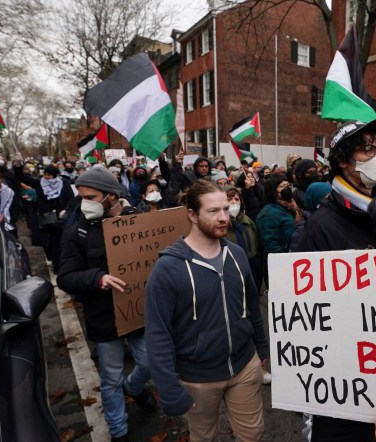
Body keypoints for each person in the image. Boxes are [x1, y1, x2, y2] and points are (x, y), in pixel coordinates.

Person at [296, 118, 376, 440]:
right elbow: (311, 316)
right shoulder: (321, 228)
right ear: (342, 160)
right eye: (368, 149)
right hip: (351, 365)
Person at [145, 180, 268, 442]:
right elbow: (158, 334)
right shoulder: (167, 269)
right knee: (204, 437)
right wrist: (169, 390)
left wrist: (262, 348)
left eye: (226, 208)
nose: (224, 217)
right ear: (192, 214)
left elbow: (251, 305)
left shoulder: (236, 253)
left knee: (252, 435)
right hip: (197, 378)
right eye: (213, 211)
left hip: (244, 366)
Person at [57, 165, 155, 442]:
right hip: (103, 316)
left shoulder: (137, 220)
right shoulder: (76, 233)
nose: (85, 203)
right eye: (81, 197)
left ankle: (134, 387)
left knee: (149, 363)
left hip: (139, 313)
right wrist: (97, 279)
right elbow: (65, 277)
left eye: (92, 196)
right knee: (110, 378)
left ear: (112, 196)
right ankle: (118, 429)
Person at [14, 163, 74, 272]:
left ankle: (60, 265)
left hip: (61, 219)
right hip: (46, 219)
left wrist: (66, 210)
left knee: (61, 243)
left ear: (56, 175)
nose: (46, 177)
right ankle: (56, 264)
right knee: (50, 244)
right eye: (45, 174)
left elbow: (71, 198)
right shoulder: (39, 183)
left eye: (49, 175)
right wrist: (18, 166)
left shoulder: (64, 184)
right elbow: (21, 177)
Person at [256, 176, 302, 284]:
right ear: (273, 192)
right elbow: (270, 245)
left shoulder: (291, 206)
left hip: (295, 262)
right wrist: (285, 262)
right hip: (280, 268)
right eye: (282, 186)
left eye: (288, 185)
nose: (287, 188)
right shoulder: (267, 214)